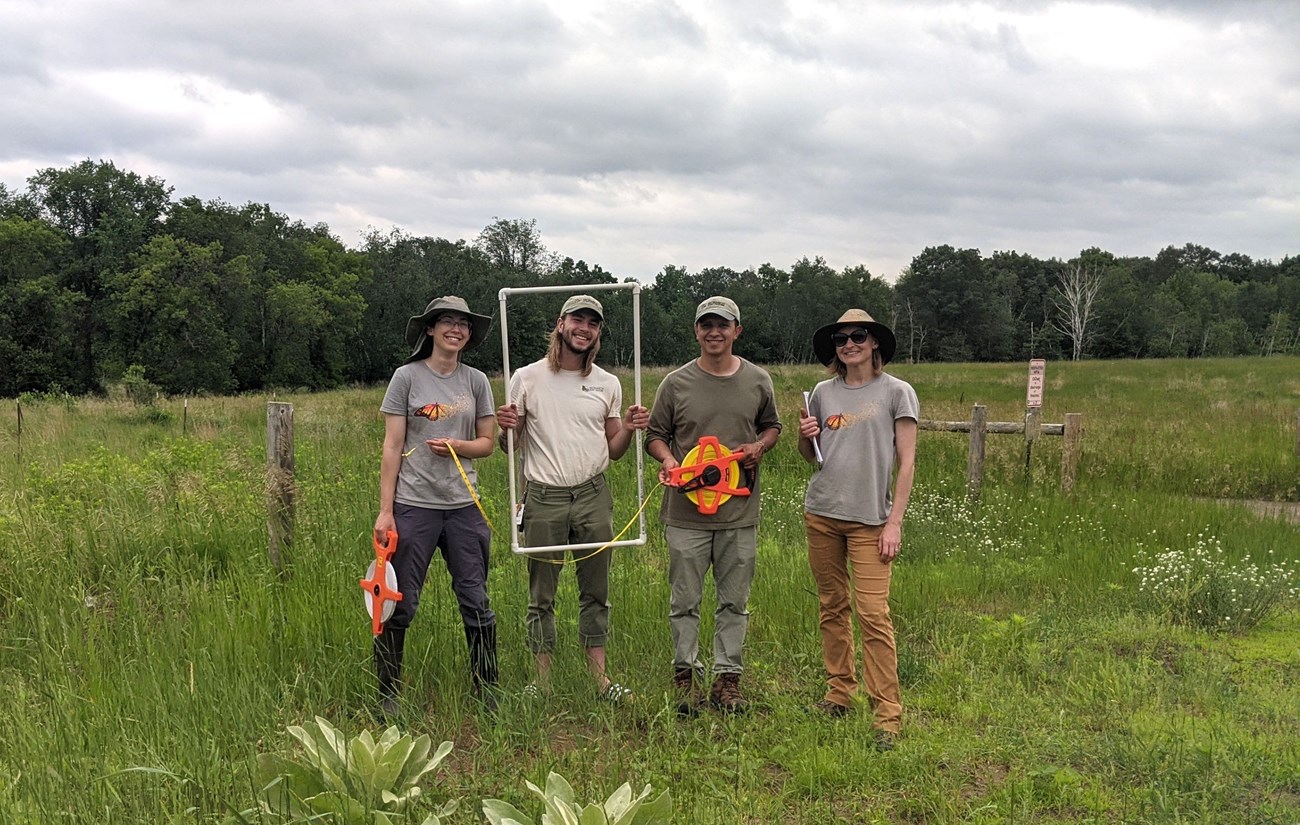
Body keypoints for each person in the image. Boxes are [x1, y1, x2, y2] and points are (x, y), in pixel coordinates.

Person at [495, 294, 649, 701]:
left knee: (596, 588)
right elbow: (509, 446)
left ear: (597, 333)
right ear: (561, 324)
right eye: (578, 320)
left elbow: (614, 450)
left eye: (593, 323)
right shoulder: (526, 377)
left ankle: (600, 680)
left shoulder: (608, 382)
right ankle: (541, 682)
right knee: (541, 593)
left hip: (592, 493)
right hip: (543, 495)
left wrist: (630, 428)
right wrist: (504, 428)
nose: (585, 328)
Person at [645, 296, 781, 715]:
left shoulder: (758, 381)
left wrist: (759, 447)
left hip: (738, 514)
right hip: (686, 514)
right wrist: (669, 461)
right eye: (706, 325)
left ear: (737, 331)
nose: (714, 332)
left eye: (723, 325)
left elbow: (771, 426)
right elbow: (655, 434)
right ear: (696, 331)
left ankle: (727, 681)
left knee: (733, 601)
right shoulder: (675, 383)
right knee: (684, 600)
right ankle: (685, 676)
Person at [797, 308, 917, 750]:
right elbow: (811, 457)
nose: (849, 344)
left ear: (875, 343)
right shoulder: (822, 395)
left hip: (872, 523)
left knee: (873, 615)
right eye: (841, 339)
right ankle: (839, 693)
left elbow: (907, 461)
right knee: (832, 606)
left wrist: (894, 522)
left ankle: (887, 715)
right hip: (822, 515)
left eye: (858, 336)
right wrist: (804, 434)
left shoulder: (897, 393)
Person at [373, 295, 499, 716]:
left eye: (463, 323)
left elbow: (488, 444)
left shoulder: (477, 381)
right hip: (414, 505)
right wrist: (386, 511)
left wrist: (458, 447)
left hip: (464, 506)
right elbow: (392, 446)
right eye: (446, 321)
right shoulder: (406, 378)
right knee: (400, 599)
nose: (456, 329)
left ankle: (487, 691)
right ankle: (388, 695)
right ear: (430, 330)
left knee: (475, 597)